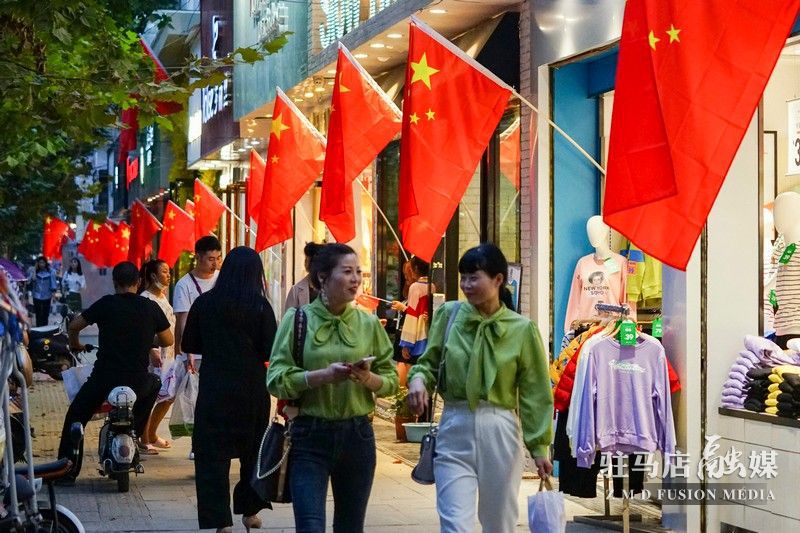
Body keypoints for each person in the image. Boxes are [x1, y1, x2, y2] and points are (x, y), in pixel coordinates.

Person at [407, 243, 553, 533]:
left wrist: (539, 447)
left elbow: (535, 392)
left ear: (498, 280)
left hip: (500, 428)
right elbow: (429, 362)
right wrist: (418, 379)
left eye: (474, 277)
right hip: (454, 424)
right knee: (454, 524)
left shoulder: (522, 329)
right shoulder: (449, 315)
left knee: (500, 523)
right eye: (463, 278)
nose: (466, 285)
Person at [267, 243, 399, 533]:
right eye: (347, 272)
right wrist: (320, 376)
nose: (355, 279)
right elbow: (276, 379)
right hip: (309, 436)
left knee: (350, 527)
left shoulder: (368, 323)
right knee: (310, 526)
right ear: (323, 277)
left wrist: (368, 379)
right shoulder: (298, 320)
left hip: (358, 437)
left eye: (358, 273)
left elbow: (391, 381)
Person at [181, 247, 277, 533]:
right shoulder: (261, 307)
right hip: (251, 389)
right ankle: (250, 512)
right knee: (252, 452)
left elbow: (189, 344)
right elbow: (271, 348)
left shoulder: (204, 303)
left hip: (214, 389)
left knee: (212, 457)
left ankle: (221, 522)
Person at [59, 262, 172, 481]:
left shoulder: (106, 304)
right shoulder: (150, 307)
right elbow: (168, 339)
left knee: (76, 416)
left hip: (104, 379)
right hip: (138, 381)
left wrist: (75, 345)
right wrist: (146, 337)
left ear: (114, 283)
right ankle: (136, 431)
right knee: (154, 383)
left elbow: (74, 326)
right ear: (138, 282)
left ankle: (67, 471)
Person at [173, 235, 221, 460]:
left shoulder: (222, 280)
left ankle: (215, 443)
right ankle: (197, 445)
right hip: (196, 353)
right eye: (210, 259)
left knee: (216, 400)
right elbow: (182, 321)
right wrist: (187, 352)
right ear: (198, 257)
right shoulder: (184, 285)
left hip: (219, 350)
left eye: (218, 258)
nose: (215, 264)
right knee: (198, 401)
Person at [138, 259, 176, 453]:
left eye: (169, 272)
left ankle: (152, 433)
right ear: (153, 276)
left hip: (169, 355)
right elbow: (143, 330)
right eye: (164, 272)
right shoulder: (145, 298)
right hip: (154, 356)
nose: (168, 275)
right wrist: (151, 349)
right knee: (149, 397)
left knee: (169, 395)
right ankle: (144, 439)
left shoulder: (163, 296)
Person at [391, 257, 434, 387]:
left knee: (410, 372)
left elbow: (412, 315)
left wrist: (406, 343)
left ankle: (405, 402)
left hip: (414, 335)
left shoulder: (415, 287)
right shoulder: (432, 285)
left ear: (415, 269)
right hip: (425, 332)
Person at [284, 241, 324, 310]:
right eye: (305, 259)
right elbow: (289, 318)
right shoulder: (295, 291)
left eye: (308, 259)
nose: (305, 262)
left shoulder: (331, 289)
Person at [29, 256, 57, 326]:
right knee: (38, 313)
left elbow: (53, 284)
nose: (41, 264)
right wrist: (34, 270)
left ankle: (45, 328)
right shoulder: (34, 271)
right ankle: (39, 328)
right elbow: (30, 281)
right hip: (36, 295)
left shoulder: (51, 272)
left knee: (45, 313)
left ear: (45, 263)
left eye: (43, 263)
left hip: (47, 295)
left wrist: (54, 295)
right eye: (40, 263)